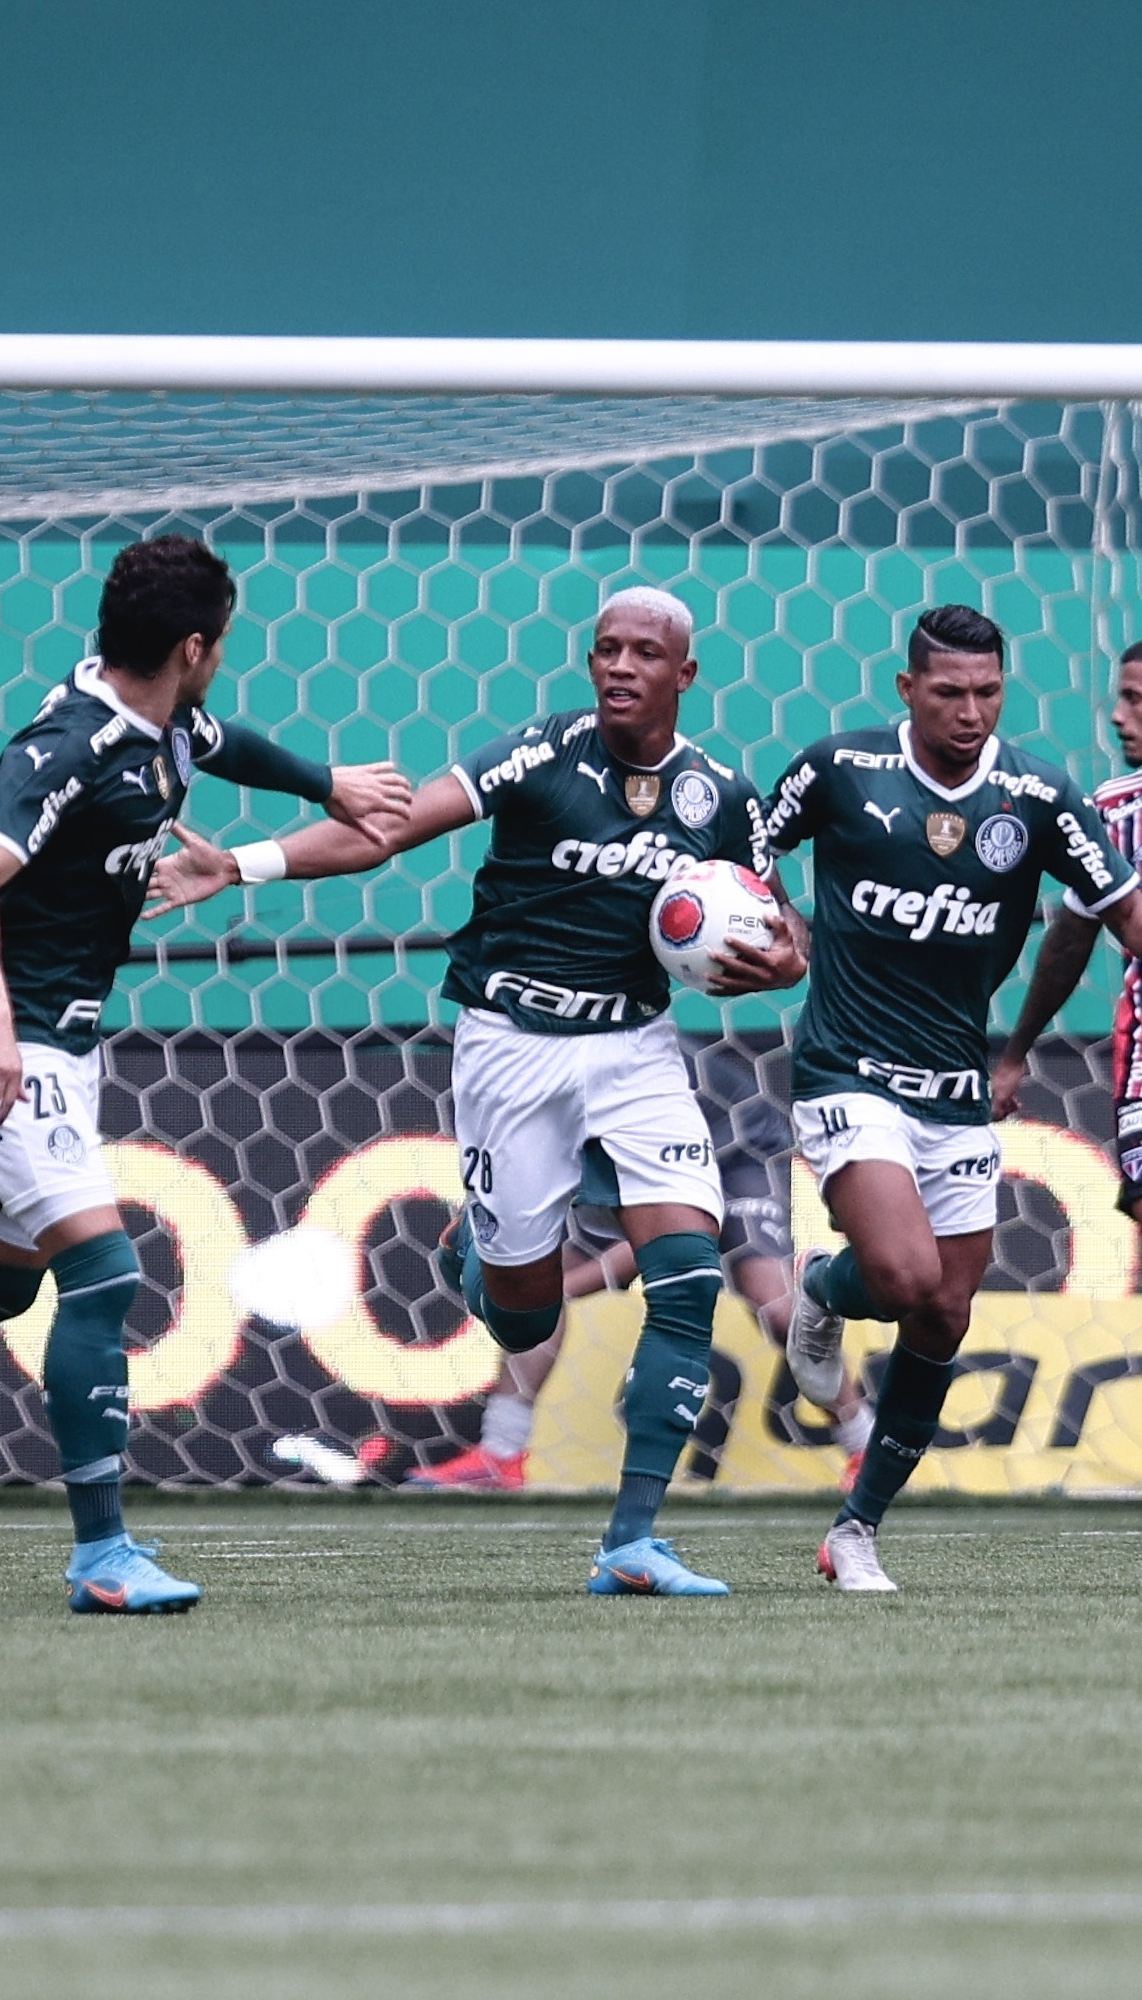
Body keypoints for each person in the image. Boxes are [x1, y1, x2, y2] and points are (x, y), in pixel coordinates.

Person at [0, 535, 411, 1614]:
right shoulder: (66, 744)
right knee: (105, 1272)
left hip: (64, 1038)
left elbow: (222, 740)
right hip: (1, 1046)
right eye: (222, 645)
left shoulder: (161, 721)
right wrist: (0, 1023)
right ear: (193, 645)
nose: (221, 665)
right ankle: (102, 1552)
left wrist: (324, 778)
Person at [149, 585, 807, 1595]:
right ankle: (479, 1258)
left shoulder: (722, 796)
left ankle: (632, 1539)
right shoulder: (542, 754)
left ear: (686, 673)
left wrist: (777, 963)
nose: (621, 666)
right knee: (524, 1316)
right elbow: (389, 828)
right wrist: (242, 865)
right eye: (606, 649)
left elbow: (785, 935)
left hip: (636, 1050)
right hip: (512, 1047)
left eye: (644, 652)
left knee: (687, 1273)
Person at [767, 605, 1142, 1593]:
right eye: (948, 692)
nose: (971, 711)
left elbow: (1123, 911)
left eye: (988, 692)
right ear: (907, 690)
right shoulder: (840, 770)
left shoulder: (1042, 796)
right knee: (898, 1275)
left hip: (955, 1087)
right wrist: (776, 928)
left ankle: (856, 1528)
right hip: (847, 1069)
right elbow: (742, 847)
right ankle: (824, 1288)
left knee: (943, 1311)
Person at [404, 1063, 872, 1491]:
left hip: (737, 1146)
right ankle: (500, 1455)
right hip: (644, 1152)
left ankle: (864, 1444)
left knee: (773, 1302)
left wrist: (550, 1292)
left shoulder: (622, 1094)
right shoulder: (539, 1108)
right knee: (546, 1269)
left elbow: (657, 1243)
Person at [991, 640, 1142, 1196]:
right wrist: (1014, 1055)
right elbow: (1070, 940)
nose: (1117, 716)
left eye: (1134, 699)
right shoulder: (1116, 810)